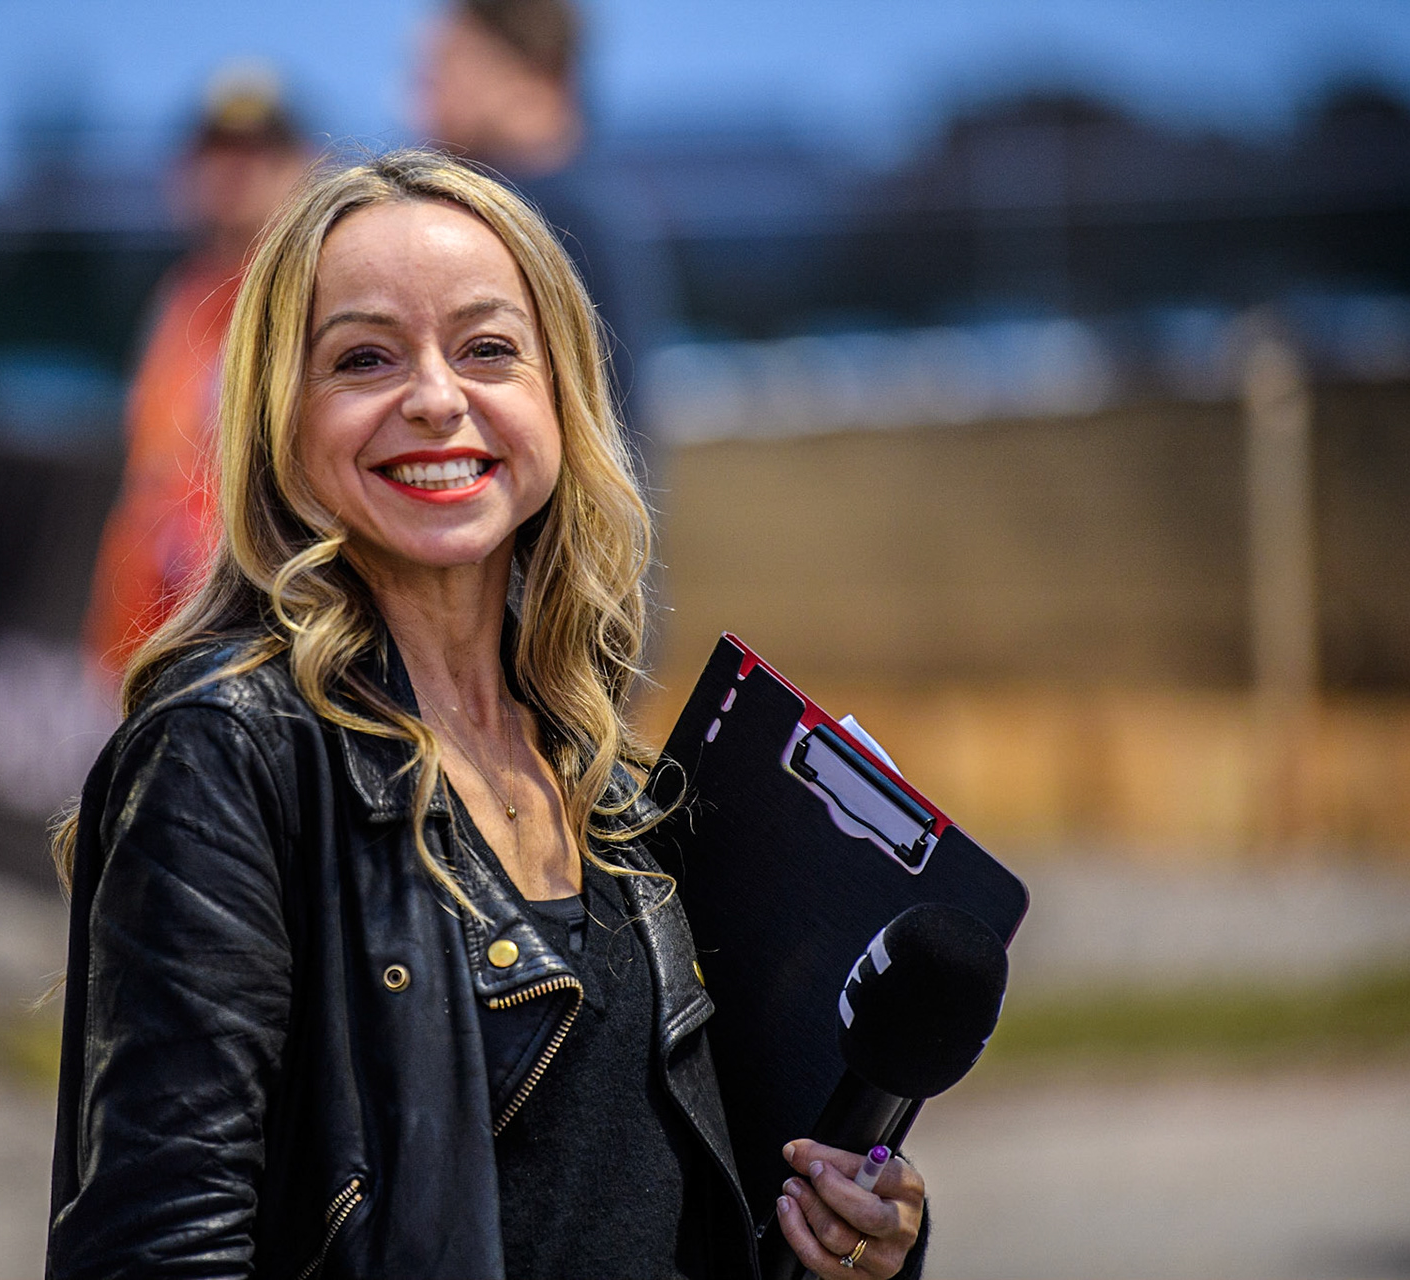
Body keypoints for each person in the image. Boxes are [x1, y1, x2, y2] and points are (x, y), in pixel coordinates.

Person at [46, 150, 925, 1280]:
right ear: (279, 419)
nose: (434, 397)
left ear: (561, 397)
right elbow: (158, 1247)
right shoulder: (226, 756)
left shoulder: (611, 781)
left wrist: (853, 1242)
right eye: (364, 357)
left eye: (488, 348)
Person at [82, 65, 312, 684]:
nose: (234, 172)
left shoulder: (315, 297)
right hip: (151, 634)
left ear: (304, 165)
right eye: (215, 151)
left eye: (260, 152)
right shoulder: (180, 295)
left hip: (256, 642)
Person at [416, 0, 676, 486]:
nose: (416, 99)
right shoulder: (602, 205)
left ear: (533, 70)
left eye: (442, 68)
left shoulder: (538, 216)